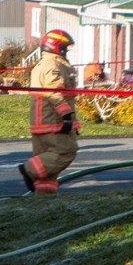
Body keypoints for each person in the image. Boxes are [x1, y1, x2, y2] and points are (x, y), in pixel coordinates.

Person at [18, 29, 80, 195]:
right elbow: (54, 92)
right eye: (64, 48)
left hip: (42, 123)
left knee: (47, 171)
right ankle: (29, 170)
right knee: (65, 152)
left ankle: (44, 199)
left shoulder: (44, 64)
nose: (66, 52)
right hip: (54, 122)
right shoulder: (54, 65)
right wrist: (67, 116)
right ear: (57, 47)